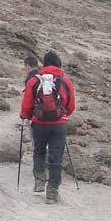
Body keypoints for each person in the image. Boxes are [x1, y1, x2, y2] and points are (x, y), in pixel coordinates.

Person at [20, 50, 76, 204]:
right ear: (59, 63)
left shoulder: (34, 80)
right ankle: (52, 192)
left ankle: (39, 180)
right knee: (55, 157)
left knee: (39, 151)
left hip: (39, 124)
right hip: (59, 125)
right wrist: (63, 115)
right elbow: (71, 105)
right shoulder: (65, 80)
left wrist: (25, 116)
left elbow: (27, 103)